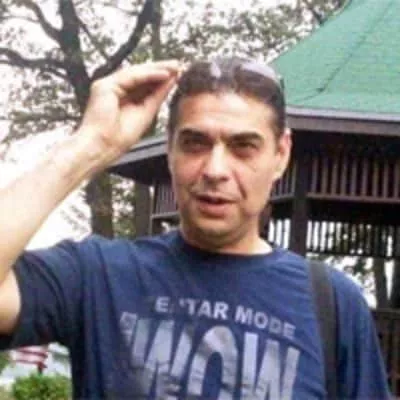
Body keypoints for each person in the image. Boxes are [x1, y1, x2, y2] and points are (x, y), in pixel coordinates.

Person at [0, 57, 391, 399]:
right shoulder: (101, 276)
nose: (215, 170)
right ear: (170, 149)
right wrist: (89, 146)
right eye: (195, 143)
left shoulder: (332, 305)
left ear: (280, 154)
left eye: (243, 147)